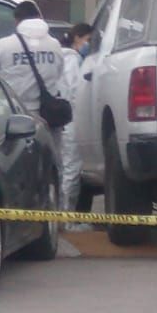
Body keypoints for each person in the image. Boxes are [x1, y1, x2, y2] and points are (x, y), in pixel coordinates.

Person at [56, 22, 93, 216]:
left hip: (64, 121)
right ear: (77, 38)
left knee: (66, 169)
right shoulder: (72, 60)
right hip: (71, 121)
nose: (89, 44)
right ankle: (65, 216)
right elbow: (74, 91)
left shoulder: (63, 58)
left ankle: (63, 215)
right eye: (88, 40)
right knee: (71, 170)